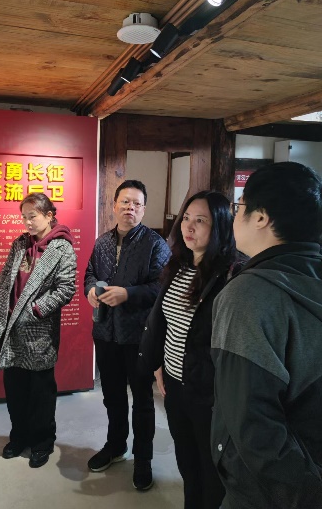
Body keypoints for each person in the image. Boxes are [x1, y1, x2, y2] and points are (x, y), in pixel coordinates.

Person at [211, 161, 322, 509]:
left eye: (239, 206)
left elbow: (253, 423)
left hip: (269, 491)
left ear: (261, 217)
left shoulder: (249, 294)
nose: (235, 215)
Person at [139, 190, 241, 509]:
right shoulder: (179, 266)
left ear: (220, 226)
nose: (189, 227)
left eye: (201, 220)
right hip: (174, 385)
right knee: (186, 463)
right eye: (186, 218)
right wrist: (159, 364)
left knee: (211, 471)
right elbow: (165, 322)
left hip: (207, 393)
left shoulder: (230, 276)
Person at [84, 180, 170, 491]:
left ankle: (143, 458)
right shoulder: (102, 243)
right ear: (114, 205)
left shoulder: (156, 244)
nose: (129, 208)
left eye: (136, 203)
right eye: (125, 202)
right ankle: (115, 445)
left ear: (143, 210)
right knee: (112, 396)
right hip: (105, 332)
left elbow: (162, 287)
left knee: (143, 400)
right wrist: (90, 290)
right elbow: (90, 274)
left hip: (139, 336)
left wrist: (129, 294)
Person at [0, 193, 76, 469]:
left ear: (49, 215)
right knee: (14, 389)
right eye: (24, 217)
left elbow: (66, 289)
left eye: (33, 217)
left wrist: (36, 311)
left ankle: (42, 442)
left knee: (40, 392)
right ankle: (19, 437)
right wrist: (2, 306)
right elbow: (6, 278)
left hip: (38, 332)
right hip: (12, 329)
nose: (28, 222)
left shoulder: (62, 248)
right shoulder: (20, 244)